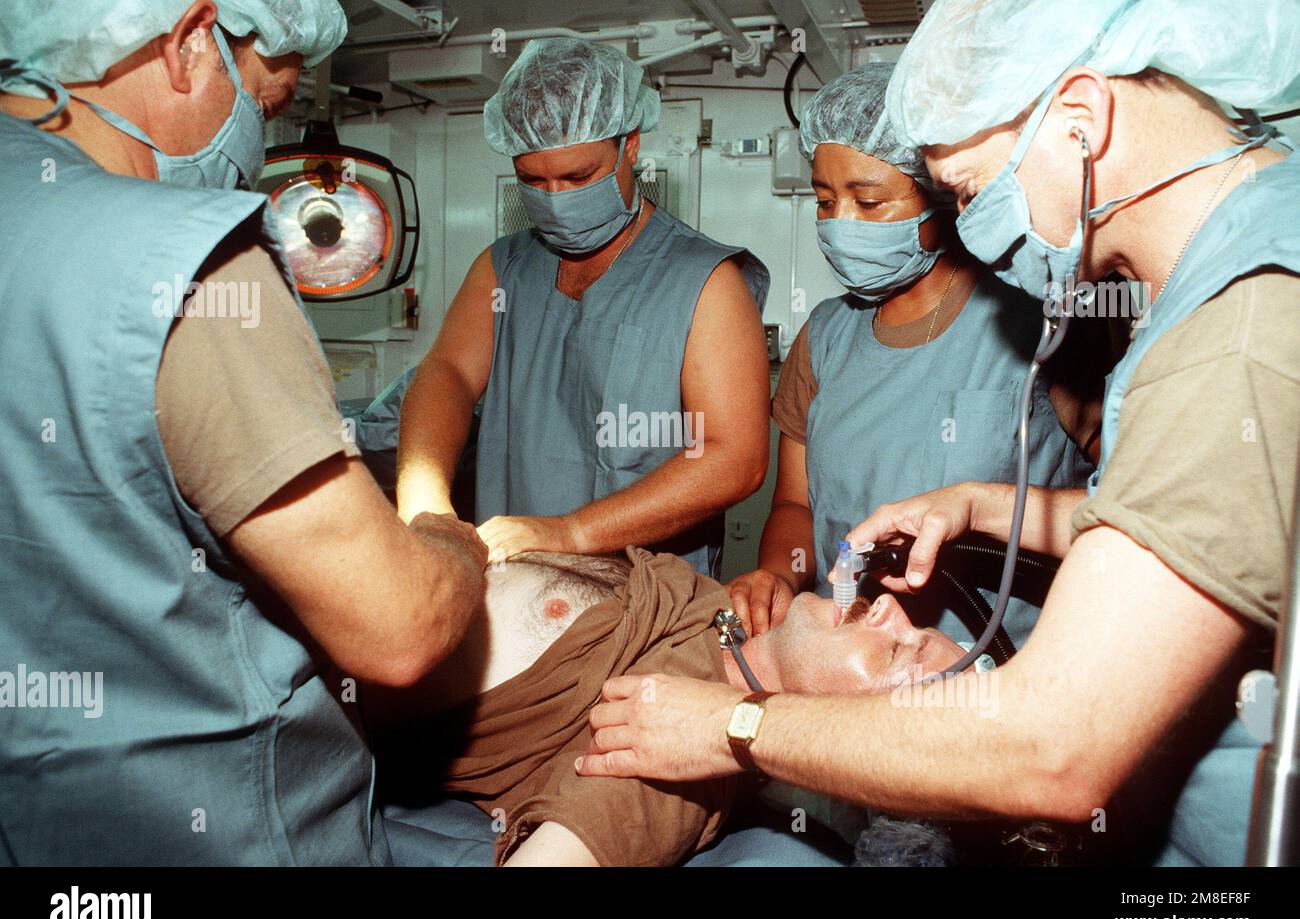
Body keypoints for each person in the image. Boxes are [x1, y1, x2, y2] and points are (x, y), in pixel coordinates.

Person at [577, 0, 1300, 867]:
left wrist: (738, 727)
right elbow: (1185, 527)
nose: (979, 231)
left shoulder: (1245, 326)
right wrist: (980, 502)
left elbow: (1052, 751)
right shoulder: (1234, 269)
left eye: (970, 192)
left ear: (1081, 121)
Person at [0, 0, 488, 865]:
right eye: (264, 105)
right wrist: (450, 541)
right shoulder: (189, 261)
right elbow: (400, 627)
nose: (256, 144)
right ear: (190, 43)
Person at [726, 63, 1102, 644]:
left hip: (1003, 666)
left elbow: (1136, 507)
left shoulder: (1037, 324)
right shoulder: (824, 338)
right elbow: (797, 507)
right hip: (853, 662)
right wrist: (779, 574)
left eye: (870, 203)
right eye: (825, 202)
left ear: (942, 199)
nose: (841, 224)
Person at [395, 38, 772, 579]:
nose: (555, 197)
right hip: (513, 580)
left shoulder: (704, 281)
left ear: (631, 147)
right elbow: (448, 373)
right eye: (533, 180)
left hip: (644, 599)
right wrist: (425, 506)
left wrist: (571, 533)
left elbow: (734, 458)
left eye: (578, 177)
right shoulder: (503, 268)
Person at [375, 548, 963, 867]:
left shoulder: (675, 762)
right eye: (917, 625)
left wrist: (445, 550)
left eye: (895, 653)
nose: (891, 610)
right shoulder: (722, 612)